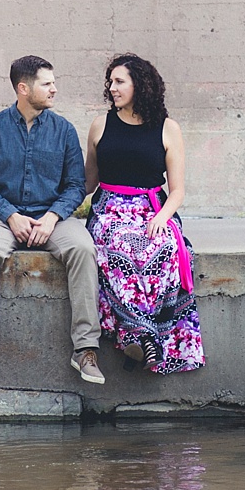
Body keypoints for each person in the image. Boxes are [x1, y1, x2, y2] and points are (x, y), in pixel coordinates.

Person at [0, 55, 103, 392]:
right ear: (24, 88)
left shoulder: (64, 131)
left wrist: (52, 217)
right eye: (47, 83)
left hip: (53, 216)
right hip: (2, 216)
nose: (54, 89)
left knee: (84, 248)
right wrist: (10, 215)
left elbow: (76, 186)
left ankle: (85, 349)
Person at [83, 52, 204, 375]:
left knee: (164, 248)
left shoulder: (167, 129)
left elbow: (177, 190)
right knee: (121, 245)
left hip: (152, 209)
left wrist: (163, 217)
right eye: (110, 82)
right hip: (109, 210)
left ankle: (137, 337)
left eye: (119, 81)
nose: (112, 88)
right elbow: (88, 181)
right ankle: (145, 337)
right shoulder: (100, 125)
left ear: (141, 85)